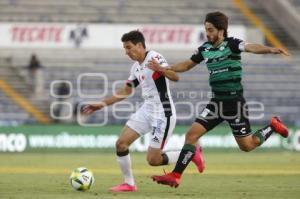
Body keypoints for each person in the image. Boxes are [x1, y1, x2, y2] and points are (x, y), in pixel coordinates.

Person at [148, 11, 289, 188]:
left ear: (221, 30)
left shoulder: (232, 44)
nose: (207, 33)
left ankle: (273, 126)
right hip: (216, 103)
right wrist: (164, 68)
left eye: (211, 30)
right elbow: (186, 65)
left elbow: (251, 46)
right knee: (191, 135)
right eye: (206, 29)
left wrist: (270, 49)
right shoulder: (205, 49)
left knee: (247, 145)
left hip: (234, 104)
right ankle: (175, 175)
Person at [82, 30, 205, 192]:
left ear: (140, 45)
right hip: (147, 110)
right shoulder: (136, 67)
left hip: (163, 113)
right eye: (125, 49)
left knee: (153, 160)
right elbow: (126, 91)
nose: (126, 52)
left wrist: (160, 69)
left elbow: (175, 77)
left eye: (129, 48)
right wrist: (102, 104)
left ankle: (191, 153)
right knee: (121, 144)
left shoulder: (154, 57)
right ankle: (129, 184)